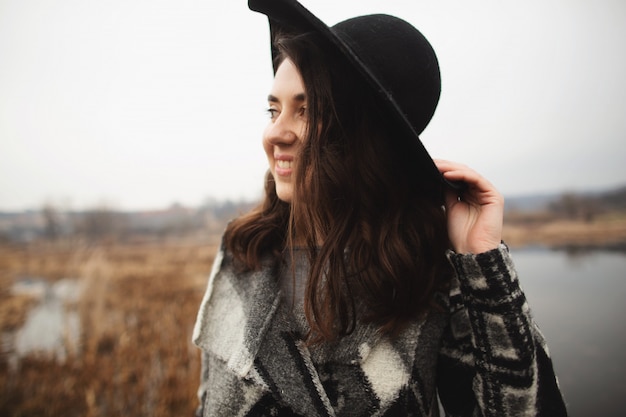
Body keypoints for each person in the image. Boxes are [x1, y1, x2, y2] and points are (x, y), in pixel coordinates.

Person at [192, 0, 568, 415]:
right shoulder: (244, 250)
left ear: (367, 137)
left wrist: (483, 263)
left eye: (307, 110)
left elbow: (522, 406)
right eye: (273, 109)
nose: (274, 133)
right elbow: (211, 397)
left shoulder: (426, 272)